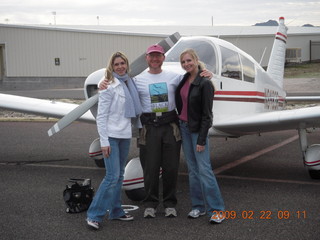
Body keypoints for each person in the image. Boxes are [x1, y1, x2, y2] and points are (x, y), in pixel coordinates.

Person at [99, 44, 212, 219]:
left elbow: (193, 77)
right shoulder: (136, 80)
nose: (155, 59)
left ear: (163, 58)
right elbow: (118, 82)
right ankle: (150, 203)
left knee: (171, 167)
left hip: (170, 126)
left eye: (158, 56)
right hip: (149, 127)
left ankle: (169, 203)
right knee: (150, 168)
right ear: (147, 58)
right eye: (152, 56)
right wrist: (102, 82)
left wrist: (206, 72)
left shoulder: (175, 78)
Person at [86, 52, 142, 230]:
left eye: (122, 63)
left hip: (124, 136)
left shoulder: (130, 82)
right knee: (111, 177)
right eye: (116, 64)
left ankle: (116, 211)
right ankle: (94, 214)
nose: (120, 67)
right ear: (112, 66)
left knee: (119, 176)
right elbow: (101, 116)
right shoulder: (108, 86)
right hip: (110, 136)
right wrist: (104, 142)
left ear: (126, 65)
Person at [175, 48, 225, 224]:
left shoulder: (204, 83)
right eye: (183, 62)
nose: (186, 64)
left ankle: (217, 209)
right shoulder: (183, 79)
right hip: (184, 127)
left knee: (204, 170)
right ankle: (198, 206)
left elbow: (207, 115)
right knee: (192, 170)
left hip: (197, 131)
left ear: (196, 60)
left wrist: (202, 139)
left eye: (189, 60)